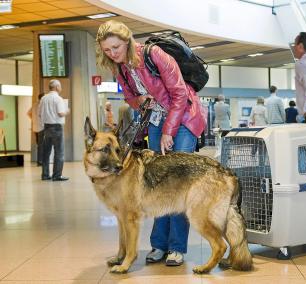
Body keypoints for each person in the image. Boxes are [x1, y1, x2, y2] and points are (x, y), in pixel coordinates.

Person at [96, 20, 206, 266]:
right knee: (156, 183)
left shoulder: (154, 54)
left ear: (127, 40)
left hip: (185, 118)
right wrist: (140, 99)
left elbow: (179, 93)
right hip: (156, 119)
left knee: (178, 183)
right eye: (107, 50)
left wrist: (169, 130)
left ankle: (176, 247)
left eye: (116, 47)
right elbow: (130, 98)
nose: (113, 53)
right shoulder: (120, 67)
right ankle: (159, 244)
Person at [38, 79, 69, 181]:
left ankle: (45, 175)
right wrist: (67, 111)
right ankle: (57, 175)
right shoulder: (58, 99)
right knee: (59, 152)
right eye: (60, 86)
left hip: (46, 127)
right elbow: (60, 113)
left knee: (46, 152)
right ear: (56, 87)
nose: (61, 88)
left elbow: (39, 114)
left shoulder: (43, 99)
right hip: (57, 128)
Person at [27, 93, 45, 166]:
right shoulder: (42, 105)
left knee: (39, 145)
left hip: (35, 127)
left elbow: (28, 113)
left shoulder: (34, 104)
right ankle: (40, 161)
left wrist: (33, 119)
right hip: (41, 127)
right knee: (41, 145)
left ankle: (40, 161)